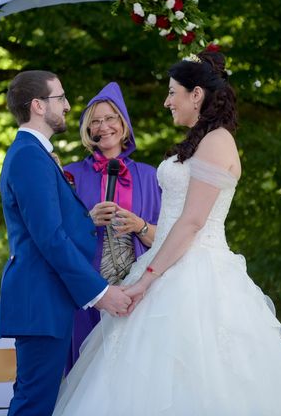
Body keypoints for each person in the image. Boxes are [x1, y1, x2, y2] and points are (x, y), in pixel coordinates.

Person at [53, 52, 281, 415]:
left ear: (196, 94)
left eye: (173, 92)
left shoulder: (217, 141)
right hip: (168, 261)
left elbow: (192, 222)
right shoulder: (197, 142)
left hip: (197, 272)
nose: (167, 101)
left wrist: (146, 280)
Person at [0, 70, 132, 416]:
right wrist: (100, 294)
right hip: (39, 301)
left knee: (37, 401)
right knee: (33, 405)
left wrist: (87, 221)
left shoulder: (34, 154)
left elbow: (51, 227)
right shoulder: (28, 155)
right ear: (38, 106)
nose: (69, 106)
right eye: (61, 98)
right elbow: (49, 238)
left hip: (45, 300)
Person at [63, 82, 162, 372]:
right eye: (95, 121)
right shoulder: (71, 175)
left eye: (110, 118)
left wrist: (140, 225)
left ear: (124, 123)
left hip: (136, 291)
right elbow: (56, 237)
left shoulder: (149, 176)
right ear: (87, 130)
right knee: (88, 372)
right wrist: (87, 220)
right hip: (89, 291)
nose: (103, 126)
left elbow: (168, 238)